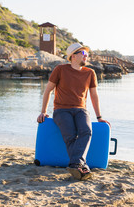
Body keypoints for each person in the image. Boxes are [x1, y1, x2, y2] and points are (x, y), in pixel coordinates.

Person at [37, 43, 110, 181]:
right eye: (84, 54)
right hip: (61, 110)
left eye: (87, 55)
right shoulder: (60, 69)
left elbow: (94, 96)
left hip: (81, 110)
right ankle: (81, 166)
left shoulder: (90, 73)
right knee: (70, 136)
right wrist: (43, 111)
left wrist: (99, 117)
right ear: (73, 56)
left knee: (86, 131)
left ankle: (76, 164)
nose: (86, 57)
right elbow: (48, 90)